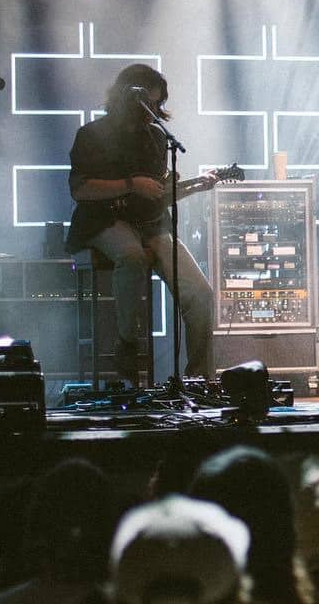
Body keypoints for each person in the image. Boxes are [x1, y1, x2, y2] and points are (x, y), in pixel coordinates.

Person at [64, 63, 218, 382]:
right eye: (148, 102)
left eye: (158, 103)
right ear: (127, 97)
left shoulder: (157, 138)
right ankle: (127, 344)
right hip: (104, 220)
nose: (154, 110)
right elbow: (80, 189)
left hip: (152, 222)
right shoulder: (92, 134)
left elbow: (157, 195)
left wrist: (193, 186)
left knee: (201, 293)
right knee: (131, 256)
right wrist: (130, 184)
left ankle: (199, 378)